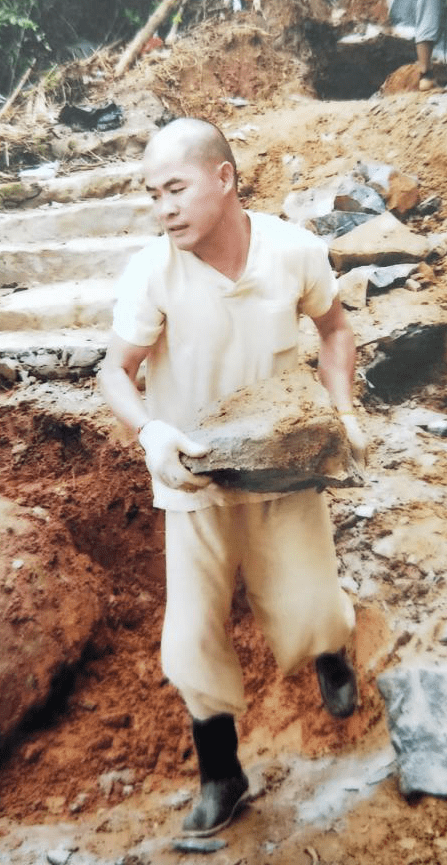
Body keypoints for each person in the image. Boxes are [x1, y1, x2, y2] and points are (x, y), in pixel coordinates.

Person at [98, 117, 367, 837]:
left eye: (177, 188)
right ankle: (223, 775)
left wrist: (341, 414)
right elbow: (114, 371)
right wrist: (151, 429)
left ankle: (331, 654)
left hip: (283, 466)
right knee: (189, 638)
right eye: (154, 194)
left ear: (224, 177)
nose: (165, 208)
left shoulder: (292, 251)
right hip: (195, 481)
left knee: (313, 607)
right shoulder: (152, 272)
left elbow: (335, 330)